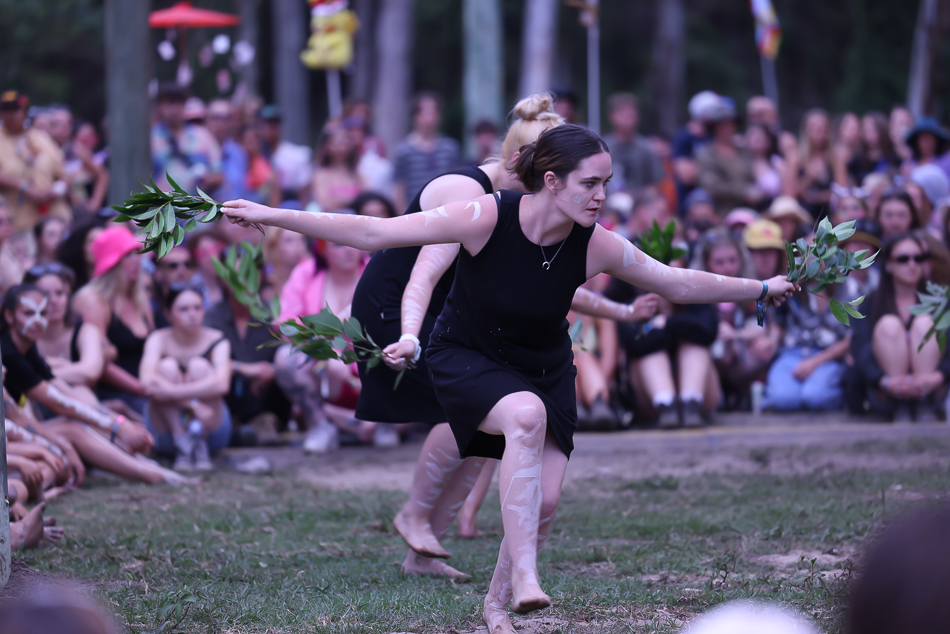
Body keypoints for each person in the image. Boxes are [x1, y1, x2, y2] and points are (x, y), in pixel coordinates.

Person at [220, 123, 796, 631]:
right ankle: (525, 574)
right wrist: (271, 214)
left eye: (606, 183)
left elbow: (676, 283)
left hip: (544, 368)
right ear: (551, 181)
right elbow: (375, 232)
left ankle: (497, 609)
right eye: (589, 183)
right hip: (466, 356)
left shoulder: (594, 243)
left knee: (544, 500)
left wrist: (761, 288)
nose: (601, 195)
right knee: (524, 415)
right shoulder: (486, 214)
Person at [0, 285, 196, 488]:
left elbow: (64, 392)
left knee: (81, 402)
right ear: (9, 316)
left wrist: (117, 421)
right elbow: (57, 403)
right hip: (10, 437)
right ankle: (149, 473)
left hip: (17, 430)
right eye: (28, 313)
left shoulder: (26, 346)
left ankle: (146, 467)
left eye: (43, 313)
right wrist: (117, 426)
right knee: (73, 427)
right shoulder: (8, 352)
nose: (37, 320)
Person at [274, 239, 369, 452]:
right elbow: (286, 324)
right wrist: (326, 351)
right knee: (285, 358)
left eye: (352, 240)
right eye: (338, 245)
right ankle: (322, 424)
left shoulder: (375, 271)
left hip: (371, 371)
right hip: (323, 374)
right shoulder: (306, 273)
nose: (348, 249)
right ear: (322, 250)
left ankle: (379, 421)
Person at [851, 233, 948, 421]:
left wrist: (939, 376)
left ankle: (922, 405)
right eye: (903, 259)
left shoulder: (940, 302)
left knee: (924, 323)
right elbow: (860, 349)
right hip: (885, 392)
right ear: (888, 264)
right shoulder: (872, 302)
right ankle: (900, 406)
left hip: (933, 391)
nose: (912, 264)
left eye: (918, 258)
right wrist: (883, 381)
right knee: (889, 325)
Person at [139, 283, 232, 470]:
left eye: (197, 308)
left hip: (212, 433)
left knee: (199, 367)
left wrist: (172, 391)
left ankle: (199, 443)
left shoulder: (217, 339)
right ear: (168, 314)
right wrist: (193, 405)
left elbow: (222, 384)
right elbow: (146, 382)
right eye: (183, 309)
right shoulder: (158, 339)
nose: (192, 315)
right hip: (166, 434)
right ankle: (182, 442)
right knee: (166, 368)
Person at [72, 226, 155, 414]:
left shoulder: (140, 299)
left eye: (137, 253)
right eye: (128, 255)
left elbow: (155, 346)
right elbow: (100, 363)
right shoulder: (93, 301)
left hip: (147, 387)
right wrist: (141, 389)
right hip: (114, 394)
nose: (136, 260)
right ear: (112, 262)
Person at [761, 283, 851, 412]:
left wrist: (815, 361)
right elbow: (778, 323)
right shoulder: (790, 285)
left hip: (829, 357)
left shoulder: (848, 288)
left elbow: (853, 337)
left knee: (815, 397)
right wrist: (772, 340)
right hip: (792, 353)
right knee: (782, 398)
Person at [25, 263, 105, 391]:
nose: (54, 300)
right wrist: (69, 368)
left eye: (59, 293)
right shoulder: (22, 335)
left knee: (80, 389)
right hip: (34, 400)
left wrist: (36, 373)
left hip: (83, 399)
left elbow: (90, 372)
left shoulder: (86, 331)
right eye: (45, 295)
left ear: (68, 295)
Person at [0, 90, 71, 231]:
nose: (11, 115)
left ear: (25, 112)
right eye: (6, 110)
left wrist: (56, 190)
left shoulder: (41, 139)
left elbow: (63, 174)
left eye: (15, 110)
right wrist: (24, 186)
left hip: (50, 221)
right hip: (16, 223)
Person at [392, 92, 462, 211]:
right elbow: (399, 189)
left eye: (433, 113)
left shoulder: (450, 148)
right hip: (413, 213)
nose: (429, 119)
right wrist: (404, 215)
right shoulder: (404, 151)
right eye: (424, 113)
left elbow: (456, 182)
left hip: (445, 212)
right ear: (415, 116)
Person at [150, 84, 222, 195]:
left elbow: (218, 175)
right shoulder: (150, 139)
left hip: (196, 204)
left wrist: (205, 180)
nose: (174, 109)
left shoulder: (203, 136)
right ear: (160, 106)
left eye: (179, 103)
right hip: (159, 204)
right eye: (169, 103)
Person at [697, 99, 763, 214]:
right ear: (714, 128)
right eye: (723, 125)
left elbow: (752, 177)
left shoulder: (744, 151)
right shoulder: (706, 154)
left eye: (730, 124)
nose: (727, 128)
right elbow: (712, 186)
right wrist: (743, 193)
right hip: (721, 210)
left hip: (750, 208)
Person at [602, 93, 664, 193]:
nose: (628, 118)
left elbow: (657, 184)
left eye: (632, 114)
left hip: (640, 200)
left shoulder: (647, 148)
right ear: (611, 115)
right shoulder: (602, 148)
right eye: (623, 113)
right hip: (606, 199)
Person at [259, 105, 314, 207]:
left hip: (287, 203)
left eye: (273, 126)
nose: (269, 130)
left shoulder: (296, 155)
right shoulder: (254, 155)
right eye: (265, 126)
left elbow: (304, 189)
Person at [312, 125, 364, 212]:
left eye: (346, 142)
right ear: (327, 146)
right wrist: (355, 200)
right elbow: (326, 204)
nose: (343, 146)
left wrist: (340, 200)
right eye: (339, 142)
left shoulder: (359, 175)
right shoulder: (320, 175)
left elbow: (367, 201)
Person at [206, 99, 249, 203]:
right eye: (216, 117)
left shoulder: (239, 153)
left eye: (225, 118)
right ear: (207, 120)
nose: (220, 123)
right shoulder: (197, 150)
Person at [261, 226, 308, 298]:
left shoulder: (312, 279)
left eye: (301, 239)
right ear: (273, 246)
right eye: (289, 240)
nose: (298, 246)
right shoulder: (263, 282)